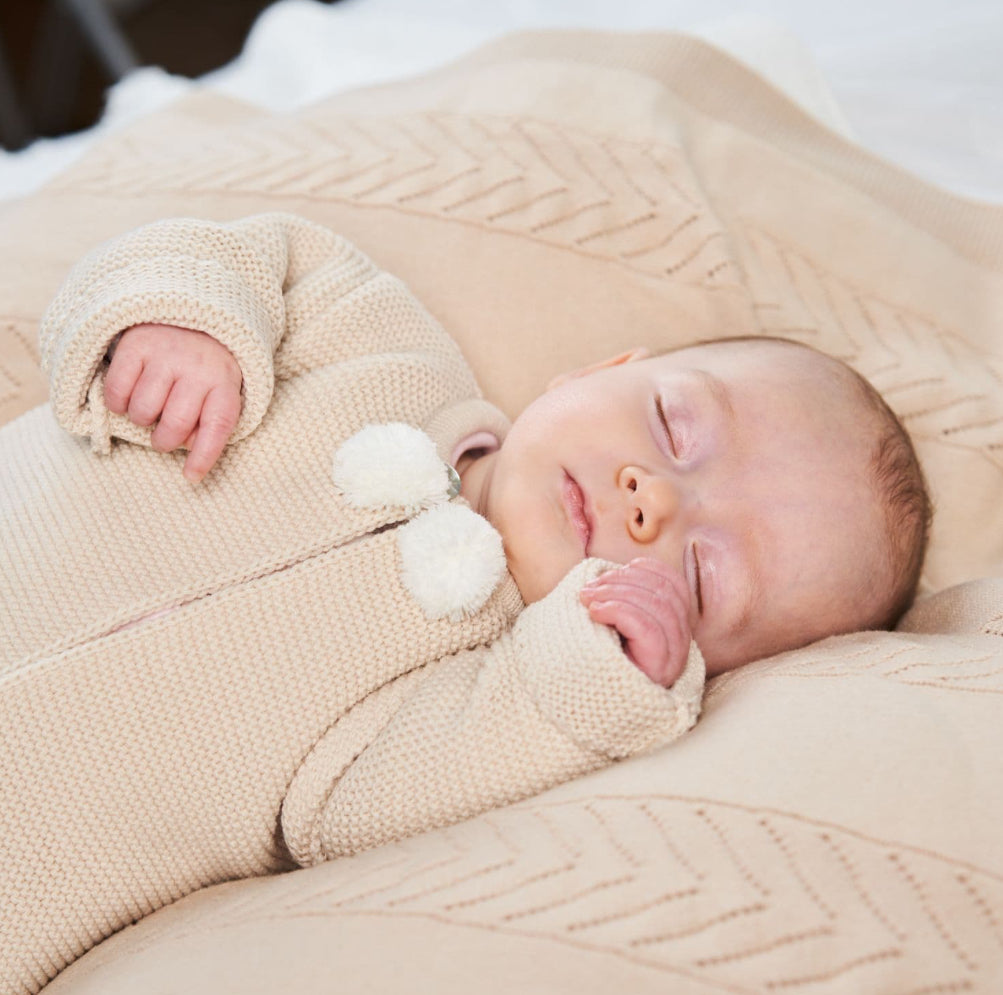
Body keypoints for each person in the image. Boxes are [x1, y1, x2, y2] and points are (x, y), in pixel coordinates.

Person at [0, 212, 930, 993]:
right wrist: (182, 323)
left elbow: (339, 819)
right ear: (596, 369)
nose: (652, 499)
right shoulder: (379, 346)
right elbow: (244, 252)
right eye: (674, 424)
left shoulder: (478, 694)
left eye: (701, 576)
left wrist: (585, 687)